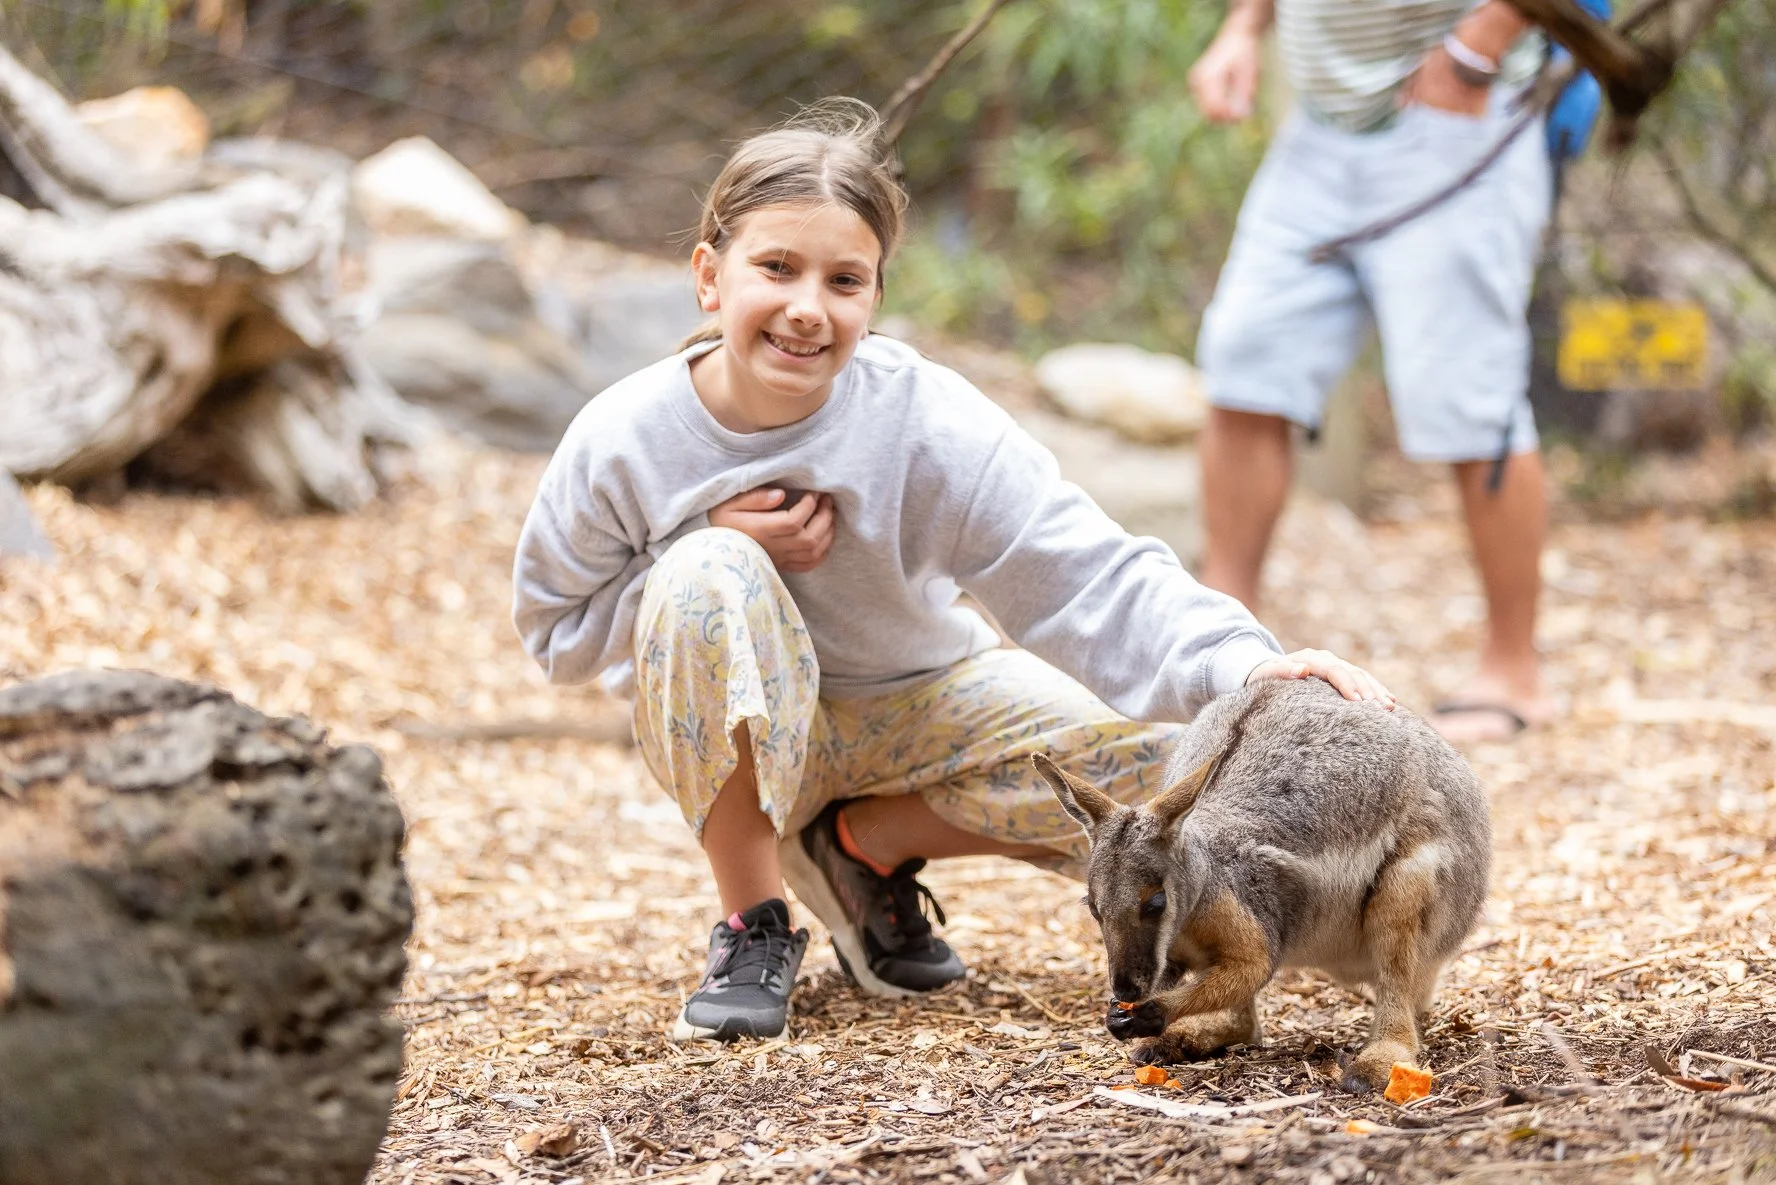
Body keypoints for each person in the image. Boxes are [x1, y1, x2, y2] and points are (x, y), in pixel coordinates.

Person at [512, 99, 1393, 1044]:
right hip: (751, 742)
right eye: (776, 267)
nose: (809, 306)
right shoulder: (625, 435)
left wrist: (1246, 669)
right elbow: (556, 631)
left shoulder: (922, 416)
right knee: (707, 568)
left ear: (875, 298)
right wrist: (700, 544)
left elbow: (1086, 573)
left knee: (1179, 775)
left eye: (844, 279)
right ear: (708, 278)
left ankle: (859, 848)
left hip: (920, 701)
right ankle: (754, 920)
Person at [1187, 0, 1558, 743]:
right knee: (1244, 358)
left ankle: (1514, 667)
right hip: (1320, 129)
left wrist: (1476, 49)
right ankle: (1217, 647)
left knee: (1468, 394)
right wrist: (1242, 29)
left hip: (1461, 112)